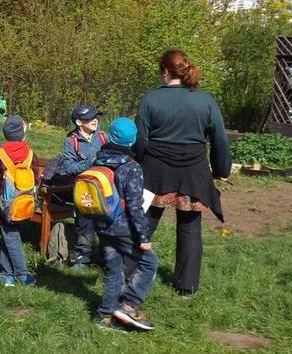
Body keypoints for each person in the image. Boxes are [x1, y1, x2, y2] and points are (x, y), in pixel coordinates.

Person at [136, 49, 230, 296]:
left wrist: (138, 166)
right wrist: (222, 169)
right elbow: (219, 139)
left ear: (165, 71)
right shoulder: (205, 100)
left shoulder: (150, 100)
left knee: (145, 220)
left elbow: (141, 142)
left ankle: (129, 269)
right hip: (193, 170)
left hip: (156, 169)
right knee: (189, 225)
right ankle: (186, 285)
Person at [90, 118, 159, 332]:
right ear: (132, 141)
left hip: (102, 224)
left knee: (114, 269)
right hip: (123, 228)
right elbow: (135, 207)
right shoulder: (131, 167)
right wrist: (144, 238)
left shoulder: (98, 160)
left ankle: (104, 316)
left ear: (110, 136)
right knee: (149, 263)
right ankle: (128, 304)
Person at [0, 115, 37, 287]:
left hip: (3, 204)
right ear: (22, 135)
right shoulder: (31, 154)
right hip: (24, 202)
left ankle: (24, 275)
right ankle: (6, 275)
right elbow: (35, 177)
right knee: (8, 235)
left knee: (11, 237)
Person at [56, 104, 106, 271]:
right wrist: (87, 164)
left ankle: (107, 258)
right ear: (78, 122)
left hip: (105, 190)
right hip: (84, 190)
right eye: (89, 118)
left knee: (105, 224)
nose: (94, 120)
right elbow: (68, 167)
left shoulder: (104, 137)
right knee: (84, 224)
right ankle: (81, 259)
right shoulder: (71, 141)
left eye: (95, 117)